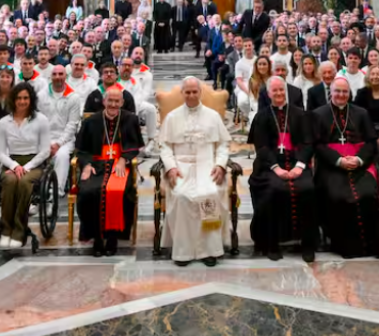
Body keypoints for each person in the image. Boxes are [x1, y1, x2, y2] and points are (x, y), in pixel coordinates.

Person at [159, 77, 233, 266]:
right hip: (180, 169)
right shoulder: (172, 117)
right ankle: (183, 252)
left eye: (194, 92)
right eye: (187, 92)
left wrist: (220, 165)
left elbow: (224, 144)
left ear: (200, 92)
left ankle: (209, 250)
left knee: (209, 194)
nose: (191, 95)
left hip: (207, 167)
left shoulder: (213, 116)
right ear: (182, 93)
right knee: (182, 197)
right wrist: (171, 167)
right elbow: (165, 147)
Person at [313, 78, 379, 258]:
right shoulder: (318, 114)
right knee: (339, 196)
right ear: (331, 92)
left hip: (360, 164)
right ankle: (344, 246)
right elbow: (317, 145)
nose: (341, 95)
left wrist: (359, 159)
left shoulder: (361, 113)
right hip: (331, 165)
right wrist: (339, 160)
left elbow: (370, 142)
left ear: (349, 93)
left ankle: (372, 245)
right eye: (337, 91)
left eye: (345, 92)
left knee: (368, 194)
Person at [247, 77, 317, 262]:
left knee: (308, 189)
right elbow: (261, 147)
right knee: (272, 190)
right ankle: (271, 243)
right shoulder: (261, 116)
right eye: (274, 90)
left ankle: (308, 243)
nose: (278, 93)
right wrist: (276, 168)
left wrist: (300, 166)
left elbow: (308, 143)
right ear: (268, 93)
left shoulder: (300, 114)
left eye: (281, 90)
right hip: (269, 166)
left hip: (297, 164)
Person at [75, 86, 143, 256]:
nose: (113, 104)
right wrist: (86, 164)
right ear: (104, 101)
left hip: (119, 165)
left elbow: (134, 145)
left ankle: (113, 236)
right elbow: (82, 149)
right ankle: (96, 237)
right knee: (88, 191)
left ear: (122, 102)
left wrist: (124, 158)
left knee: (117, 190)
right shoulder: (91, 121)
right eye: (110, 100)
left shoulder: (130, 119)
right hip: (96, 165)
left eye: (116, 101)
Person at [0, 84, 51, 249]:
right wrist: (14, 165)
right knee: (10, 181)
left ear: (31, 99)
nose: (22, 101)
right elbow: (1, 153)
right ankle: (6, 229)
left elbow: (45, 150)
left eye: (25, 98)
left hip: (34, 162)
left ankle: (19, 230)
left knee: (25, 182)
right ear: (13, 100)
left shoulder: (41, 120)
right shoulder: (3, 122)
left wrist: (26, 167)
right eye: (19, 98)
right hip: (11, 162)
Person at [38, 65, 83, 191]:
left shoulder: (74, 97)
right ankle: (36, 192)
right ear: (50, 77)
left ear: (65, 76)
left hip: (65, 140)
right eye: (55, 74)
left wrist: (58, 144)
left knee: (62, 156)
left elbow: (72, 125)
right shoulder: (41, 95)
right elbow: (38, 121)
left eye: (61, 74)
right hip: (44, 138)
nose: (58, 77)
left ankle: (57, 191)